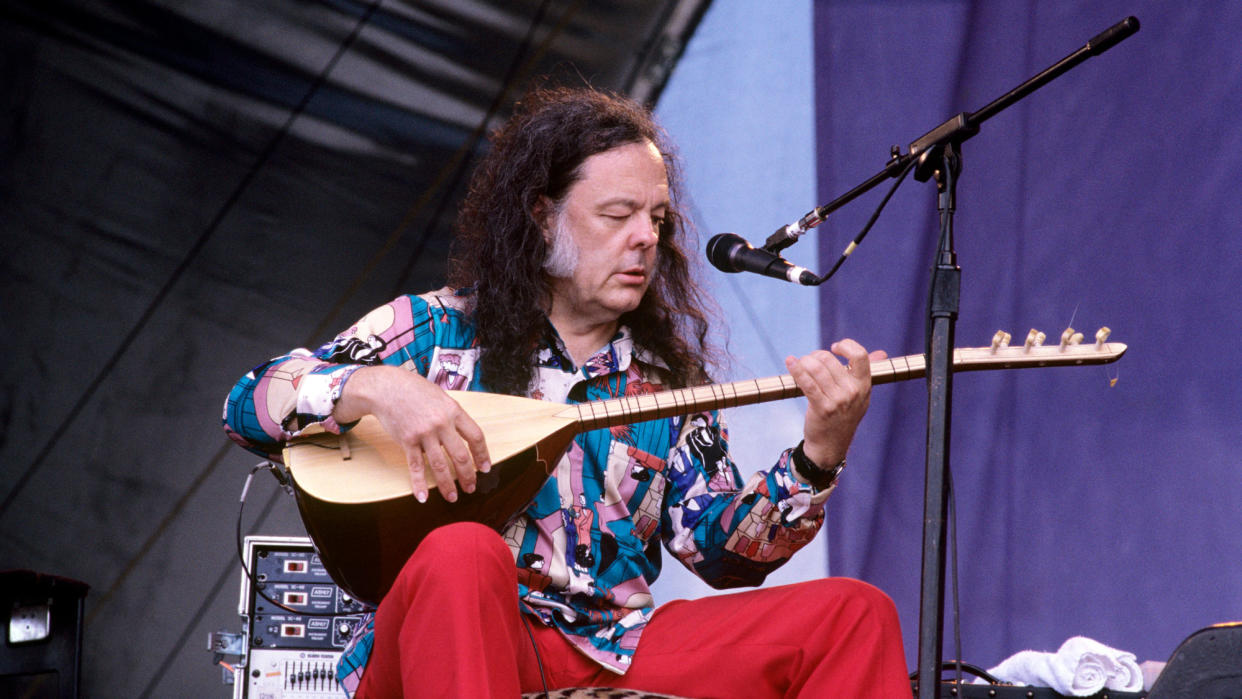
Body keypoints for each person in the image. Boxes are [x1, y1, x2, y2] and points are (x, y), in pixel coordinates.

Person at [222, 86, 911, 698]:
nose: (647, 237)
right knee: (464, 553)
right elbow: (249, 402)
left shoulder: (666, 380)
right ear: (543, 217)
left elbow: (720, 550)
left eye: (659, 218)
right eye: (618, 215)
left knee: (853, 612)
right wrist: (379, 388)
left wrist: (820, 449)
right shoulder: (431, 331)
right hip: (443, 644)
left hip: (612, 646)